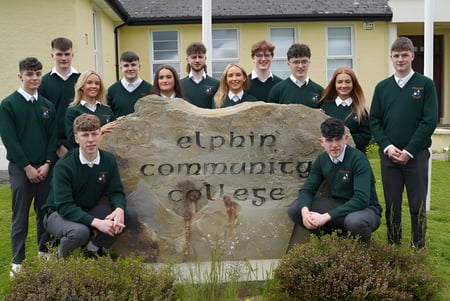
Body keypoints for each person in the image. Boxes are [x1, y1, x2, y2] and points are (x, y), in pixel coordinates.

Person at [369, 37, 438, 249]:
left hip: (416, 157)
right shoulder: (382, 88)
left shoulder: (425, 85)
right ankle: (394, 246)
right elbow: (375, 120)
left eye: (404, 55)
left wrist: (409, 150)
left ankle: (418, 248)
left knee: (417, 205)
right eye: (396, 56)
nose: (400, 59)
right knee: (392, 205)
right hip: (389, 157)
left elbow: (429, 121)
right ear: (391, 58)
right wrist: (387, 146)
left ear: (412, 57)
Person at [42, 113, 136, 259]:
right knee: (80, 232)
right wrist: (98, 223)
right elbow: (65, 207)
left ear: (100, 135)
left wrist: (119, 209)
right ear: (76, 138)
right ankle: (59, 258)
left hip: (88, 209)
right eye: (85, 135)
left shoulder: (108, 159)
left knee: (128, 216)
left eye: (95, 134)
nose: (91, 140)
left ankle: (92, 249)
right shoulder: (64, 166)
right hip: (57, 214)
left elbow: (115, 191)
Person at [0, 57, 57, 276]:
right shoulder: (8, 104)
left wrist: (47, 163)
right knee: (20, 215)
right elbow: (9, 139)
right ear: (20, 76)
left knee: (45, 214)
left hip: (44, 168)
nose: (34, 78)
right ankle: (17, 261)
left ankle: (45, 253)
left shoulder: (47, 105)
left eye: (38, 74)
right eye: (29, 74)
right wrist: (27, 167)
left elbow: (52, 137)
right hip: (21, 169)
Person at [287, 117, 381, 243]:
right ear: (321, 142)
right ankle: (334, 242)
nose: (334, 145)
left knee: (354, 222)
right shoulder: (322, 160)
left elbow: (361, 200)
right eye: (329, 140)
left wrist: (326, 217)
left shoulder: (358, 159)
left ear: (345, 138)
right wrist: (305, 212)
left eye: (338, 139)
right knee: (295, 209)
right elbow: (307, 190)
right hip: (337, 205)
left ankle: (361, 252)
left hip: (365, 210)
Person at [38, 37, 80, 158]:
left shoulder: (82, 81)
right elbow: (42, 117)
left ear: (73, 55)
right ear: (52, 55)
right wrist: (57, 145)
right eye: (59, 54)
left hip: (80, 141)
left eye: (67, 54)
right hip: (53, 145)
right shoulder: (43, 83)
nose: (63, 58)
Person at [319, 66, 371, 153]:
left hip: (353, 158)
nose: (343, 85)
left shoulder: (360, 110)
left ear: (353, 84)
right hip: (330, 157)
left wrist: (342, 139)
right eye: (339, 82)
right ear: (334, 84)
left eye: (347, 82)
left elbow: (365, 138)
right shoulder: (325, 107)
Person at [65, 70, 117, 148]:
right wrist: (101, 130)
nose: (94, 86)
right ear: (82, 86)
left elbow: (115, 135)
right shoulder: (73, 111)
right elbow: (72, 140)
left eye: (97, 83)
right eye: (89, 82)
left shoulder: (107, 110)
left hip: (106, 154)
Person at [107, 51, 153, 117]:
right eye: (126, 65)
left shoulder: (150, 90)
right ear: (121, 68)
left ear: (139, 66)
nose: (130, 69)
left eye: (133, 65)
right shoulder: (111, 91)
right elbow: (108, 117)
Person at [180, 42, 219, 108]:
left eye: (200, 57)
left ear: (205, 59)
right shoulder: (180, 85)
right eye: (194, 57)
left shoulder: (216, 84)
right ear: (187, 60)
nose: (197, 60)